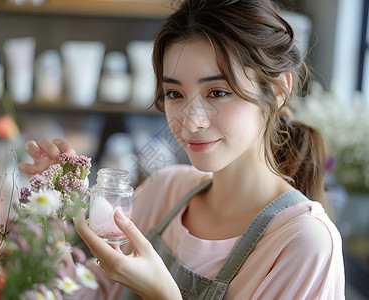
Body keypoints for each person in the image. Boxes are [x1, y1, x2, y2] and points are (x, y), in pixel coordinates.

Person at [19, 0, 345, 299]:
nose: (191, 121)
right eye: (174, 94)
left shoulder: (304, 244)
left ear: (277, 92)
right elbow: (93, 290)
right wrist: (54, 205)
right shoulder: (165, 191)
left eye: (217, 92)